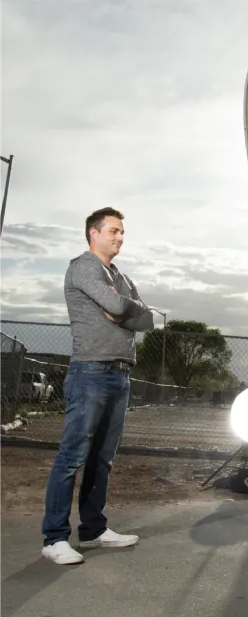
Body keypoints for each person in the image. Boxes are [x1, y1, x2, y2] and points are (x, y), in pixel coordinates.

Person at [41, 207, 154, 565]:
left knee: (102, 458)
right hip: (90, 371)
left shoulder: (119, 275)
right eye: (114, 231)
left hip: (120, 373)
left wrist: (126, 311)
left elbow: (146, 318)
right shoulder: (84, 267)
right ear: (94, 233)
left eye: (122, 233)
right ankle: (55, 538)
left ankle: (93, 529)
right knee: (73, 456)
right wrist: (124, 310)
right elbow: (114, 304)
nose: (120, 237)